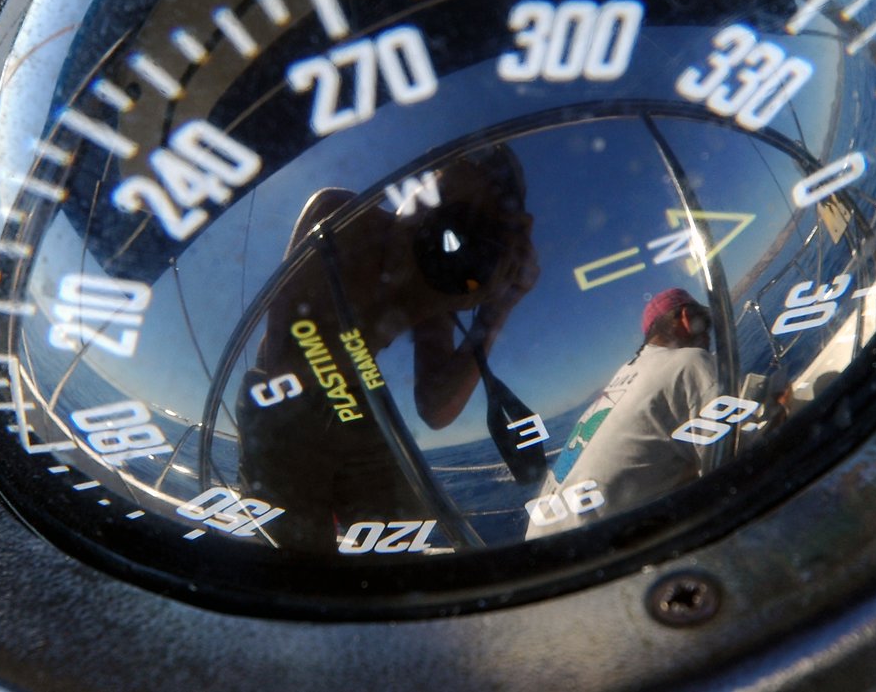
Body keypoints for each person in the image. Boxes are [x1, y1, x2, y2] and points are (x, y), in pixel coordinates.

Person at [235, 146, 539, 553]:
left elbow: (435, 408)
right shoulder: (339, 217)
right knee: (292, 555)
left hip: (360, 403)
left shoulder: (437, 283)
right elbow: (287, 369)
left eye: (472, 228)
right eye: (443, 201)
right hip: (281, 406)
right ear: (421, 182)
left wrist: (496, 311)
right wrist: (424, 298)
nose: (443, 236)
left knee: (404, 540)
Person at [526, 288, 721, 539]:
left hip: (540, 545)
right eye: (706, 322)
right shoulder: (690, 361)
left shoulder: (625, 373)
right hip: (594, 549)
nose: (709, 335)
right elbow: (730, 456)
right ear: (686, 318)